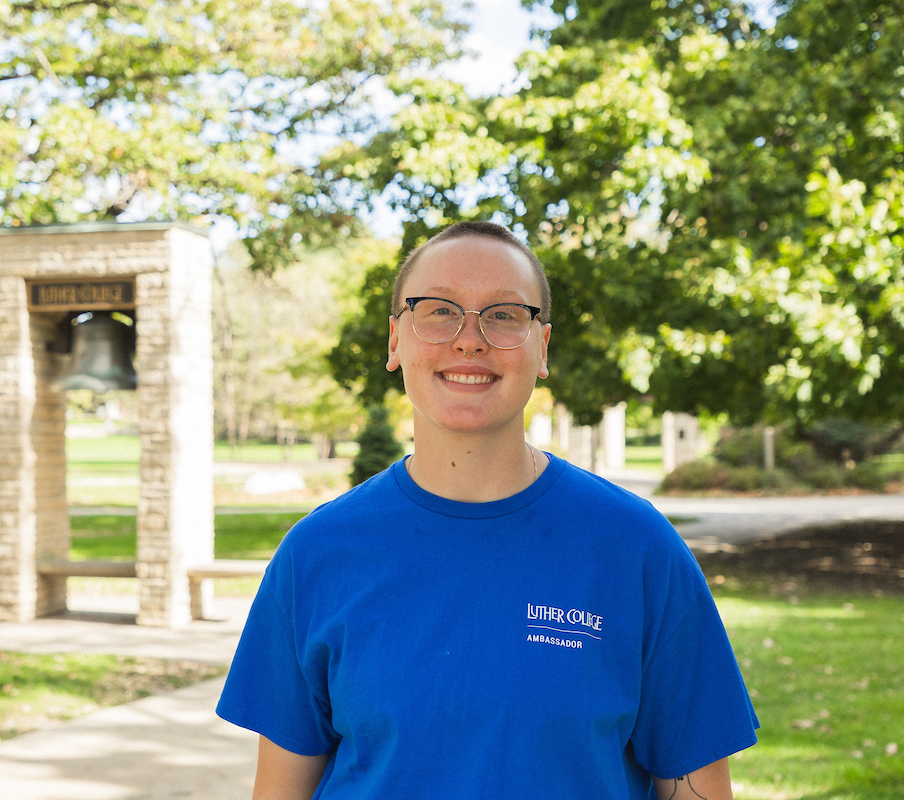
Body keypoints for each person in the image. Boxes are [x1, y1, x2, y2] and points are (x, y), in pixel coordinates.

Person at [216, 220, 759, 799]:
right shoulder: (317, 553)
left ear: (542, 347)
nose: (469, 339)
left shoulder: (636, 547)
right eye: (438, 310)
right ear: (395, 340)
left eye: (503, 314)